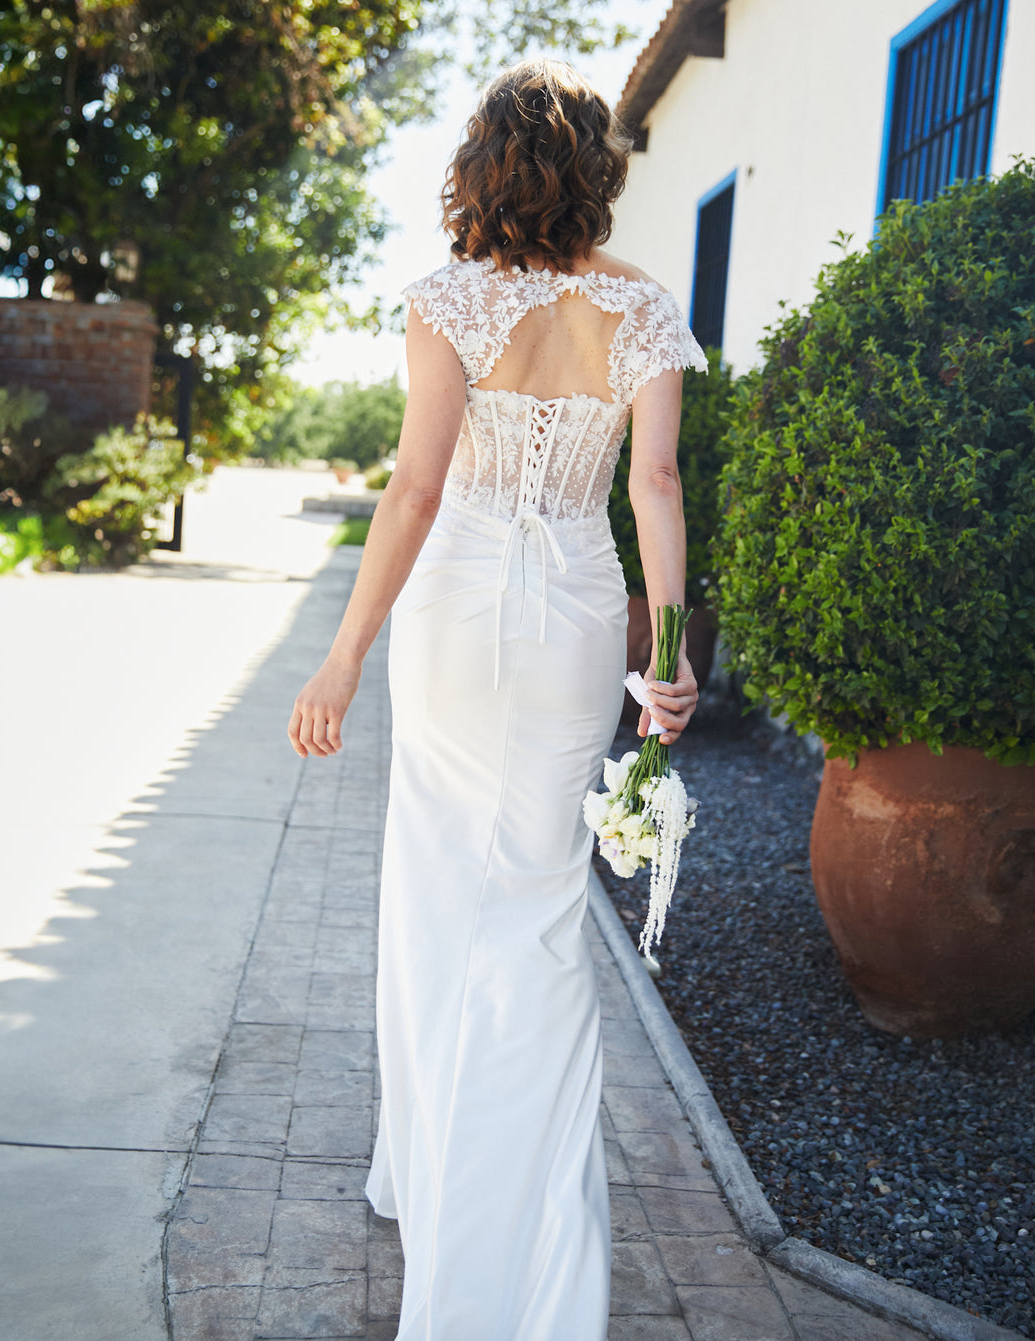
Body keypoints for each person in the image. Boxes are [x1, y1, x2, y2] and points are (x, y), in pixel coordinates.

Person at [287, 58, 705, 1341]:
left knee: (434, 893)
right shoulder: (644, 309)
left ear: (483, 167)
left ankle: (435, 1186)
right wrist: (669, 654)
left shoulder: (446, 300)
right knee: (537, 910)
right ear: (595, 172)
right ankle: (528, 1255)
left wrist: (343, 656)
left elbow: (415, 492)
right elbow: (654, 487)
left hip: (457, 617)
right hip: (577, 615)